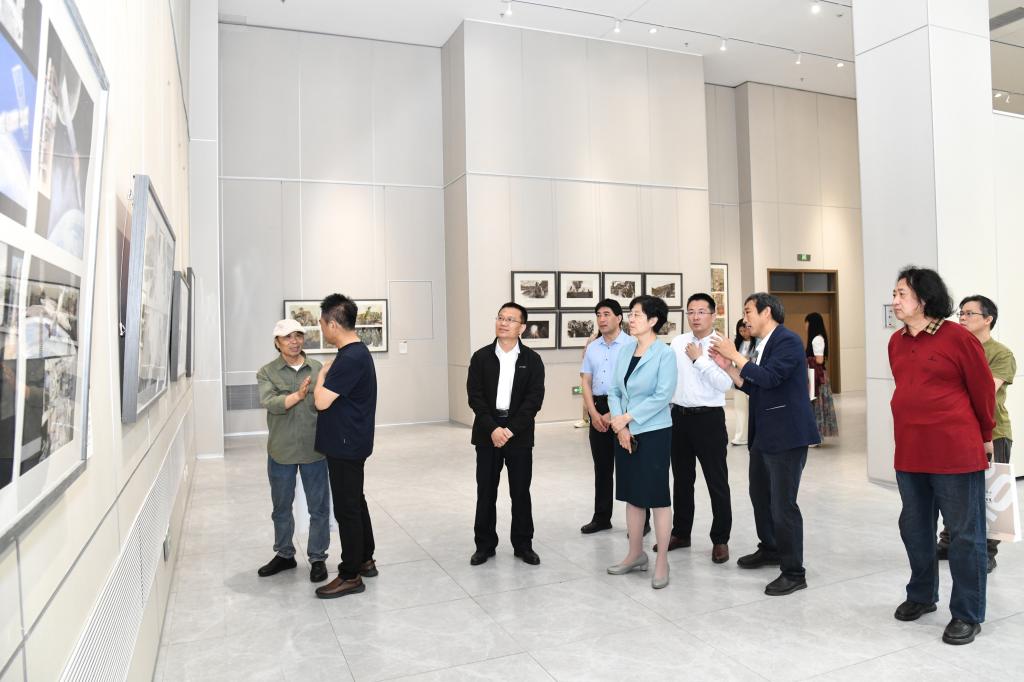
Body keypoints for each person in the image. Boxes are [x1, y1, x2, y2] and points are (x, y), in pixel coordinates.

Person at [888, 268, 994, 645]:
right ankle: (921, 595)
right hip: (910, 452)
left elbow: (982, 390)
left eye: (901, 294)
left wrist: (986, 435)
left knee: (964, 535)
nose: (895, 301)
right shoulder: (896, 342)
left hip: (955, 452)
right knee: (914, 528)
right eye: (895, 294)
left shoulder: (958, 338)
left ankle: (967, 613)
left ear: (924, 298)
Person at [710, 293, 820, 597]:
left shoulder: (787, 341)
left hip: (787, 435)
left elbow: (770, 378)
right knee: (760, 496)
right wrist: (728, 367)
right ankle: (771, 547)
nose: (745, 318)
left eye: (748, 311)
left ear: (766, 312)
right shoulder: (763, 344)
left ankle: (794, 572)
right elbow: (754, 385)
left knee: (783, 505)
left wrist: (735, 355)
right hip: (764, 434)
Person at [937, 295, 1016, 573]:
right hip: (957, 431)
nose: (962, 317)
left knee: (990, 493)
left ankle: (987, 552)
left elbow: (985, 390)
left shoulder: (1001, 354)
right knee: (954, 490)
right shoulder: (953, 349)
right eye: (961, 312)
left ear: (988, 319)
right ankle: (948, 542)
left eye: (970, 313)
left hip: (994, 432)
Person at [605, 295, 677, 589]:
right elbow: (614, 390)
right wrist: (620, 424)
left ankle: (662, 561)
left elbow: (663, 396)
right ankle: (635, 554)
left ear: (653, 320)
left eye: (636, 314)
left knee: (657, 497)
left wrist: (628, 418)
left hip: (653, 432)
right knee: (632, 495)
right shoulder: (625, 350)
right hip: (625, 432)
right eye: (631, 314)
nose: (630, 319)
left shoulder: (665, 354)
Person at [467, 302, 546, 566]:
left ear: (522, 327)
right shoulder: (481, 357)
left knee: (520, 492)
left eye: (511, 319)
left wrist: (510, 430)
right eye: (500, 317)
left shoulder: (532, 360)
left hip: (519, 434)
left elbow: (533, 401)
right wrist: (493, 428)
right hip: (487, 432)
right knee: (486, 491)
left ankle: (523, 545)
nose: (503, 323)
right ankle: (484, 545)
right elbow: (475, 397)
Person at [658, 293, 733, 564]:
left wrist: (699, 360)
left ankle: (720, 539)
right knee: (681, 479)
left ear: (713, 315)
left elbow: (725, 384)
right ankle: (681, 533)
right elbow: (669, 379)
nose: (695, 317)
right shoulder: (678, 342)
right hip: (679, 418)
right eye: (691, 312)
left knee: (716, 480)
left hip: (709, 419)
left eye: (701, 311)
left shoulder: (722, 344)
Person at [312, 294, 379, 599]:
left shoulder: (349, 358)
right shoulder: (356, 353)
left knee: (347, 508)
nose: (321, 328)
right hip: (351, 440)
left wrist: (322, 376)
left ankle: (350, 574)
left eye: (322, 323)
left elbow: (321, 401)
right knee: (356, 501)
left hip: (345, 444)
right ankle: (365, 558)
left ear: (333, 324)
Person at [254, 319, 330, 583]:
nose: (294, 341)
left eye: (298, 335)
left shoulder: (317, 368)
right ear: (277, 342)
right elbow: (271, 402)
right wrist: (297, 395)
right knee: (281, 508)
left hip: (314, 450)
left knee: (319, 508)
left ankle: (318, 557)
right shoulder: (266, 372)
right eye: (287, 337)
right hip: (281, 451)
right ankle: (285, 554)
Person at [579, 299, 647, 534]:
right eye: (598, 314)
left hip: (624, 410)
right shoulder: (592, 347)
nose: (602, 319)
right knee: (602, 467)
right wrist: (593, 413)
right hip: (598, 408)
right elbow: (585, 381)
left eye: (606, 314)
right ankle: (601, 518)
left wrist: (613, 413)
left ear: (619, 318)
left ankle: (641, 522)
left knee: (632, 468)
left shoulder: (632, 345)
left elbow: (635, 385)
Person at [804, 312, 838, 440]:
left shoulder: (817, 339)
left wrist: (804, 359)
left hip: (817, 376)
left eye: (807, 323)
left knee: (816, 404)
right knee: (815, 404)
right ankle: (815, 435)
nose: (805, 326)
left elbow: (819, 360)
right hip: (815, 374)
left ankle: (816, 435)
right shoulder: (817, 338)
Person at [731, 320, 754, 446]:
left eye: (745, 330)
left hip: (752, 379)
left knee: (753, 409)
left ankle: (752, 435)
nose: (743, 333)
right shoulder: (737, 344)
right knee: (740, 409)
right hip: (738, 378)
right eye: (740, 331)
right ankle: (740, 437)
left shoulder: (757, 342)